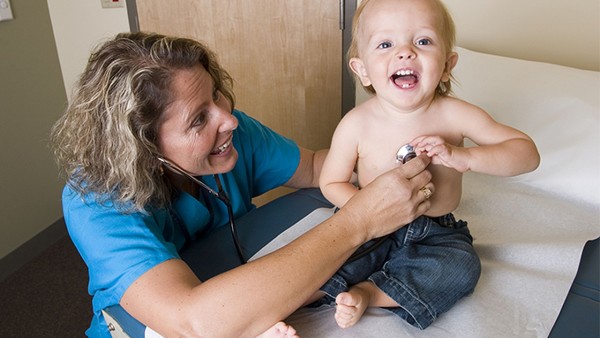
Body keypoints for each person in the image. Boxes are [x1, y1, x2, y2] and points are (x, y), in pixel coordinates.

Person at [49, 31, 436, 337]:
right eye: (199, 119)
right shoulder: (95, 199)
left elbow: (321, 168)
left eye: (215, 94)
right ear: (144, 148)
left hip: (225, 277)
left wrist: (397, 157)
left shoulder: (233, 135)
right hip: (149, 322)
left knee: (323, 199)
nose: (228, 119)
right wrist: (360, 222)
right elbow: (193, 324)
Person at [316, 0, 541, 330]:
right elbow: (331, 182)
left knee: (461, 267)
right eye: (385, 43)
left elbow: (526, 153)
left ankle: (370, 293)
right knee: (321, 256)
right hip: (369, 225)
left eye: (423, 41)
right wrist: (366, 211)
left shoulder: (456, 115)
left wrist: (465, 157)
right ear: (362, 68)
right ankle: (290, 303)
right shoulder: (356, 124)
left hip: (434, 232)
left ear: (448, 64)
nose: (405, 52)